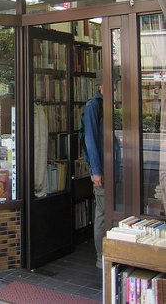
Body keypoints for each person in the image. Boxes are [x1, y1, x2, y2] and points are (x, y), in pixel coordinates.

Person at [83, 70, 104, 269]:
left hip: (114, 167)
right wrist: (96, 171)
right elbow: (91, 140)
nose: (115, 86)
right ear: (100, 85)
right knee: (103, 211)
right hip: (102, 169)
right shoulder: (93, 106)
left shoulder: (109, 105)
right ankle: (101, 257)